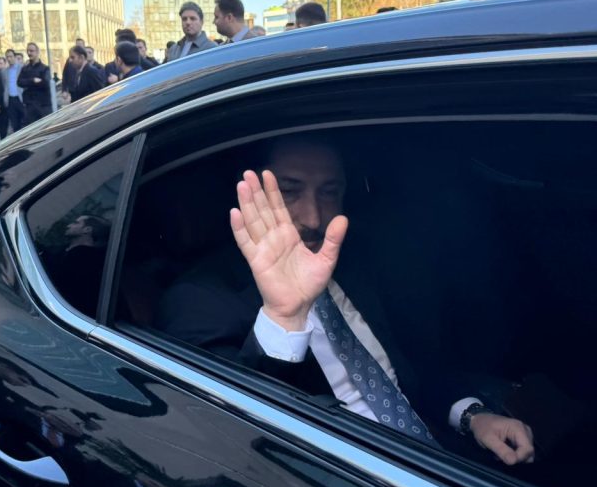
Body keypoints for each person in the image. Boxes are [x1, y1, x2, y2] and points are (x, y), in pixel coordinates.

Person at [156, 134, 536, 464]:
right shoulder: (199, 299)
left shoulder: (354, 262)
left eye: (329, 192)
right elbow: (231, 438)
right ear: (250, 194)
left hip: (434, 454)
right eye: (288, 191)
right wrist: (284, 317)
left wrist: (472, 416)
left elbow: (411, 368)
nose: (313, 217)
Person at [41, 214, 111, 318]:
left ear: (87, 230)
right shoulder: (59, 249)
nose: (69, 225)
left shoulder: (87, 258)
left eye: (75, 223)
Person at [18, 42, 52, 125]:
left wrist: (28, 83)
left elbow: (45, 84)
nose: (29, 53)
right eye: (28, 51)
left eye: (31, 51)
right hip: (30, 105)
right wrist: (32, 80)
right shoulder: (25, 69)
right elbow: (19, 82)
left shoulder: (44, 68)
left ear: (37, 52)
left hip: (42, 105)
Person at [3, 49, 24, 133]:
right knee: (14, 124)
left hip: (21, 98)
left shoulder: (22, 68)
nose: (9, 59)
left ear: (15, 57)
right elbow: (5, 86)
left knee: (25, 122)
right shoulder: (5, 71)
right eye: (7, 57)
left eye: (11, 56)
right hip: (10, 100)